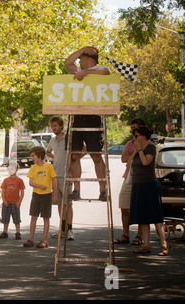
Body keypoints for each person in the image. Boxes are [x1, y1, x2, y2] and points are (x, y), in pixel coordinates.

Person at [64, 46, 109, 201]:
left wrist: (87, 72)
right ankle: (76, 189)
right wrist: (82, 49)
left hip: (93, 117)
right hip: (76, 117)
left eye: (81, 57)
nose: (78, 60)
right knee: (74, 156)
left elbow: (105, 73)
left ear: (90, 57)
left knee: (96, 156)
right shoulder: (77, 72)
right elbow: (67, 63)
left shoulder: (101, 68)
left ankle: (103, 190)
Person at [128, 126, 169, 256]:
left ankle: (164, 244)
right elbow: (128, 163)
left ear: (144, 136)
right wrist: (135, 151)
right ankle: (146, 245)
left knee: (156, 216)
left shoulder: (151, 147)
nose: (134, 138)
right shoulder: (136, 148)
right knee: (142, 216)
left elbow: (146, 162)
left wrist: (140, 150)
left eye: (136, 136)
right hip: (138, 184)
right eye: (134, 136)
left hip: (149, 184)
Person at [115, 118, 148, 245]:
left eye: (135, 127)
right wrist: (136, 152)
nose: (132, 130)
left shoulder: (149, 144)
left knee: (140, 208)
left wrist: (136, 153)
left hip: (142, 179)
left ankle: (139, 236)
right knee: (124, 206)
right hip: (128, 177)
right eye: (131, 128)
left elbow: (146, 160)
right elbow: (123, 158)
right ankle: (125, 234)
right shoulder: (130, 143)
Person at [46, 116, 75, 240]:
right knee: (59, 204)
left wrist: (74, 160)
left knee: (67, 204)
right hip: (55, 174)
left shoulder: (68, 138)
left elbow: (83, 149)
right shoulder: (52, 140)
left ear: (61, 126)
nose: (53, 128)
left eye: (55, 126)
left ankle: (70, 230)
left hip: (66, 175)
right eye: (52, 126)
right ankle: (62, 230)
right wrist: (55, 157)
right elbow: (47, 152)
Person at [24, 146, 57, 248]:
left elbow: (54, 181)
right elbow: (30, 182)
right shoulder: (33, 168)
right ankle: (31, 239)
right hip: (36, 195)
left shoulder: (49, 166)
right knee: (33, 217)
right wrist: (40, 186)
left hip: (47, 195)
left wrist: (55, 194)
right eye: (31, 156)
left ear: (39, 155)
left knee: (45, 218)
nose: (32, 158)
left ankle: (44, 240)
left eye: (33, 156)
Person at [0, 161, 24, 240]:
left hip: (15, 203)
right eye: (9, 169)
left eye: (12, 169)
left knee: (16, 218)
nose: (10, 171)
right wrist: (4, 200)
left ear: (16, 169)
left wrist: (19, 202)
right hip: (7, 203)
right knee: (5, 218)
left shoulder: (19, 180)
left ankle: (18, 232)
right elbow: (2, 191)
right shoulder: (5, 180)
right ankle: (5, 231)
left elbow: (22, 192)